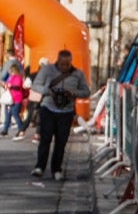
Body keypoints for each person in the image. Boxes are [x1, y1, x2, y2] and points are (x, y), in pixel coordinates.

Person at [29, 50, 92, 181]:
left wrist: (73, 93)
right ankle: (39, 166)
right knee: (45, 139)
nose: (65, 66)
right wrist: (48, 91)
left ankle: (56, 169)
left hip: (66, 111)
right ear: (57, 61)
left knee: (61, 142)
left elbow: (86, 92)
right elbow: (35, 86)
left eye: (67, 64)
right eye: (62, 64)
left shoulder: (78, 74)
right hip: (48, 108)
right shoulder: (47, 70)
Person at [0, 61, 30, 139]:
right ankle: (5, 130)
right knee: (8, 114)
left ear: (13, 70)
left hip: (16, 98)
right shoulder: (11, 77)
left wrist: (8, 85)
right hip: (10, 99)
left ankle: (21, 129)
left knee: (15, 114)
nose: (9, 72)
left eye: (10, 71)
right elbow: (8, 85)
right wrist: (4, 85)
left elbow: (17, 86)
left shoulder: (18, 77)